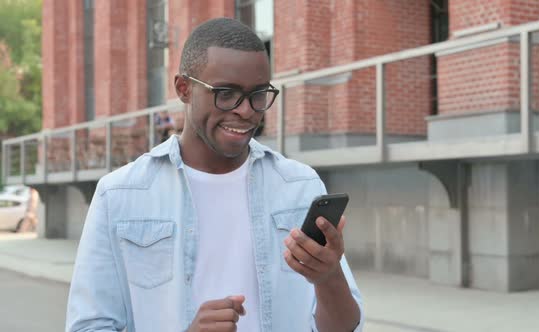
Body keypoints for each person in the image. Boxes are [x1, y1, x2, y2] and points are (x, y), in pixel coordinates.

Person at [66, 18, 363, 332]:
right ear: (184, 89)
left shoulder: (299, 187)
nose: (246, 111)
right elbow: (89, 326)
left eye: (258, 95)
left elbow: (345, 328)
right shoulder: (121, 194)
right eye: (226, 93)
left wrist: (329, 279)